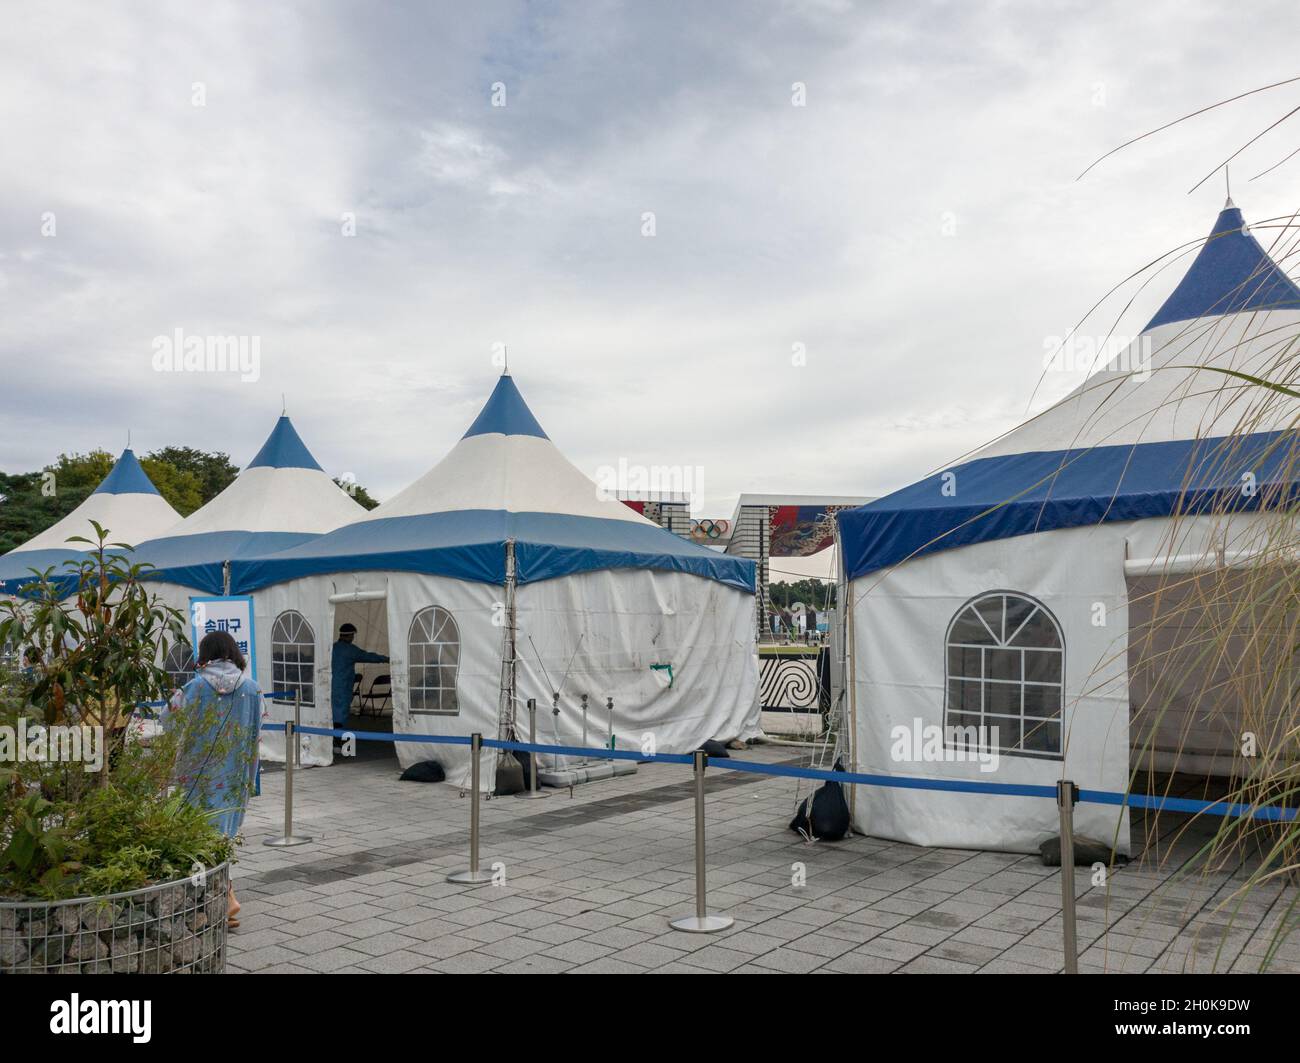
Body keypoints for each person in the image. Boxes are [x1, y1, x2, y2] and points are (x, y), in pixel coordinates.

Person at [165, 630, 260, 930]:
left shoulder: (194, 687)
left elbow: (167, 720)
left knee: (196, 842)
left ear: (204, 655)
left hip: (196, 778)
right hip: (234, 778)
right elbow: (256, 737)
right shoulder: (253, 690)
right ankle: (224, 902)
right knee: (223, 840)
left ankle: (218, 903)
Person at [331, 623, 388, 731]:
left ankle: (335, 738)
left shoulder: (333, 647)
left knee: (334, 712)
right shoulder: (350, 650)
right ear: (349, 636)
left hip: (332, 685)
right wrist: (386, 659)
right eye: (352, 636)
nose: (353, 638)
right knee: (341, 714)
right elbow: (369, 657)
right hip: (344, 687)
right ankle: (339, 740)